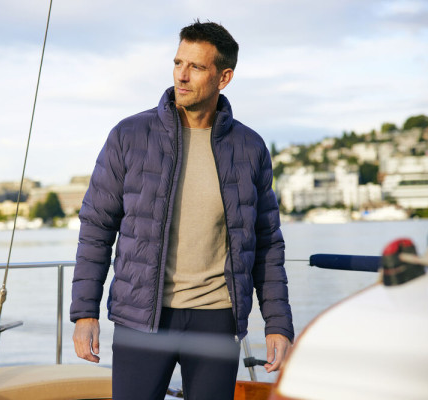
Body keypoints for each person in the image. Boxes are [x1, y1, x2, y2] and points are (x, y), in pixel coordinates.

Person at [70, 20, 294, 400]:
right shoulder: (129, 136)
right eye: (178, 63)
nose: (182, 75)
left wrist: (278, 323)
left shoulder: (250, 148)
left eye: (196, 67)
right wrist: (84, 313)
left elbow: (267, 243)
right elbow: (96, 228)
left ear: (224, 77)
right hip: (141, 317)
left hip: (217, 319)